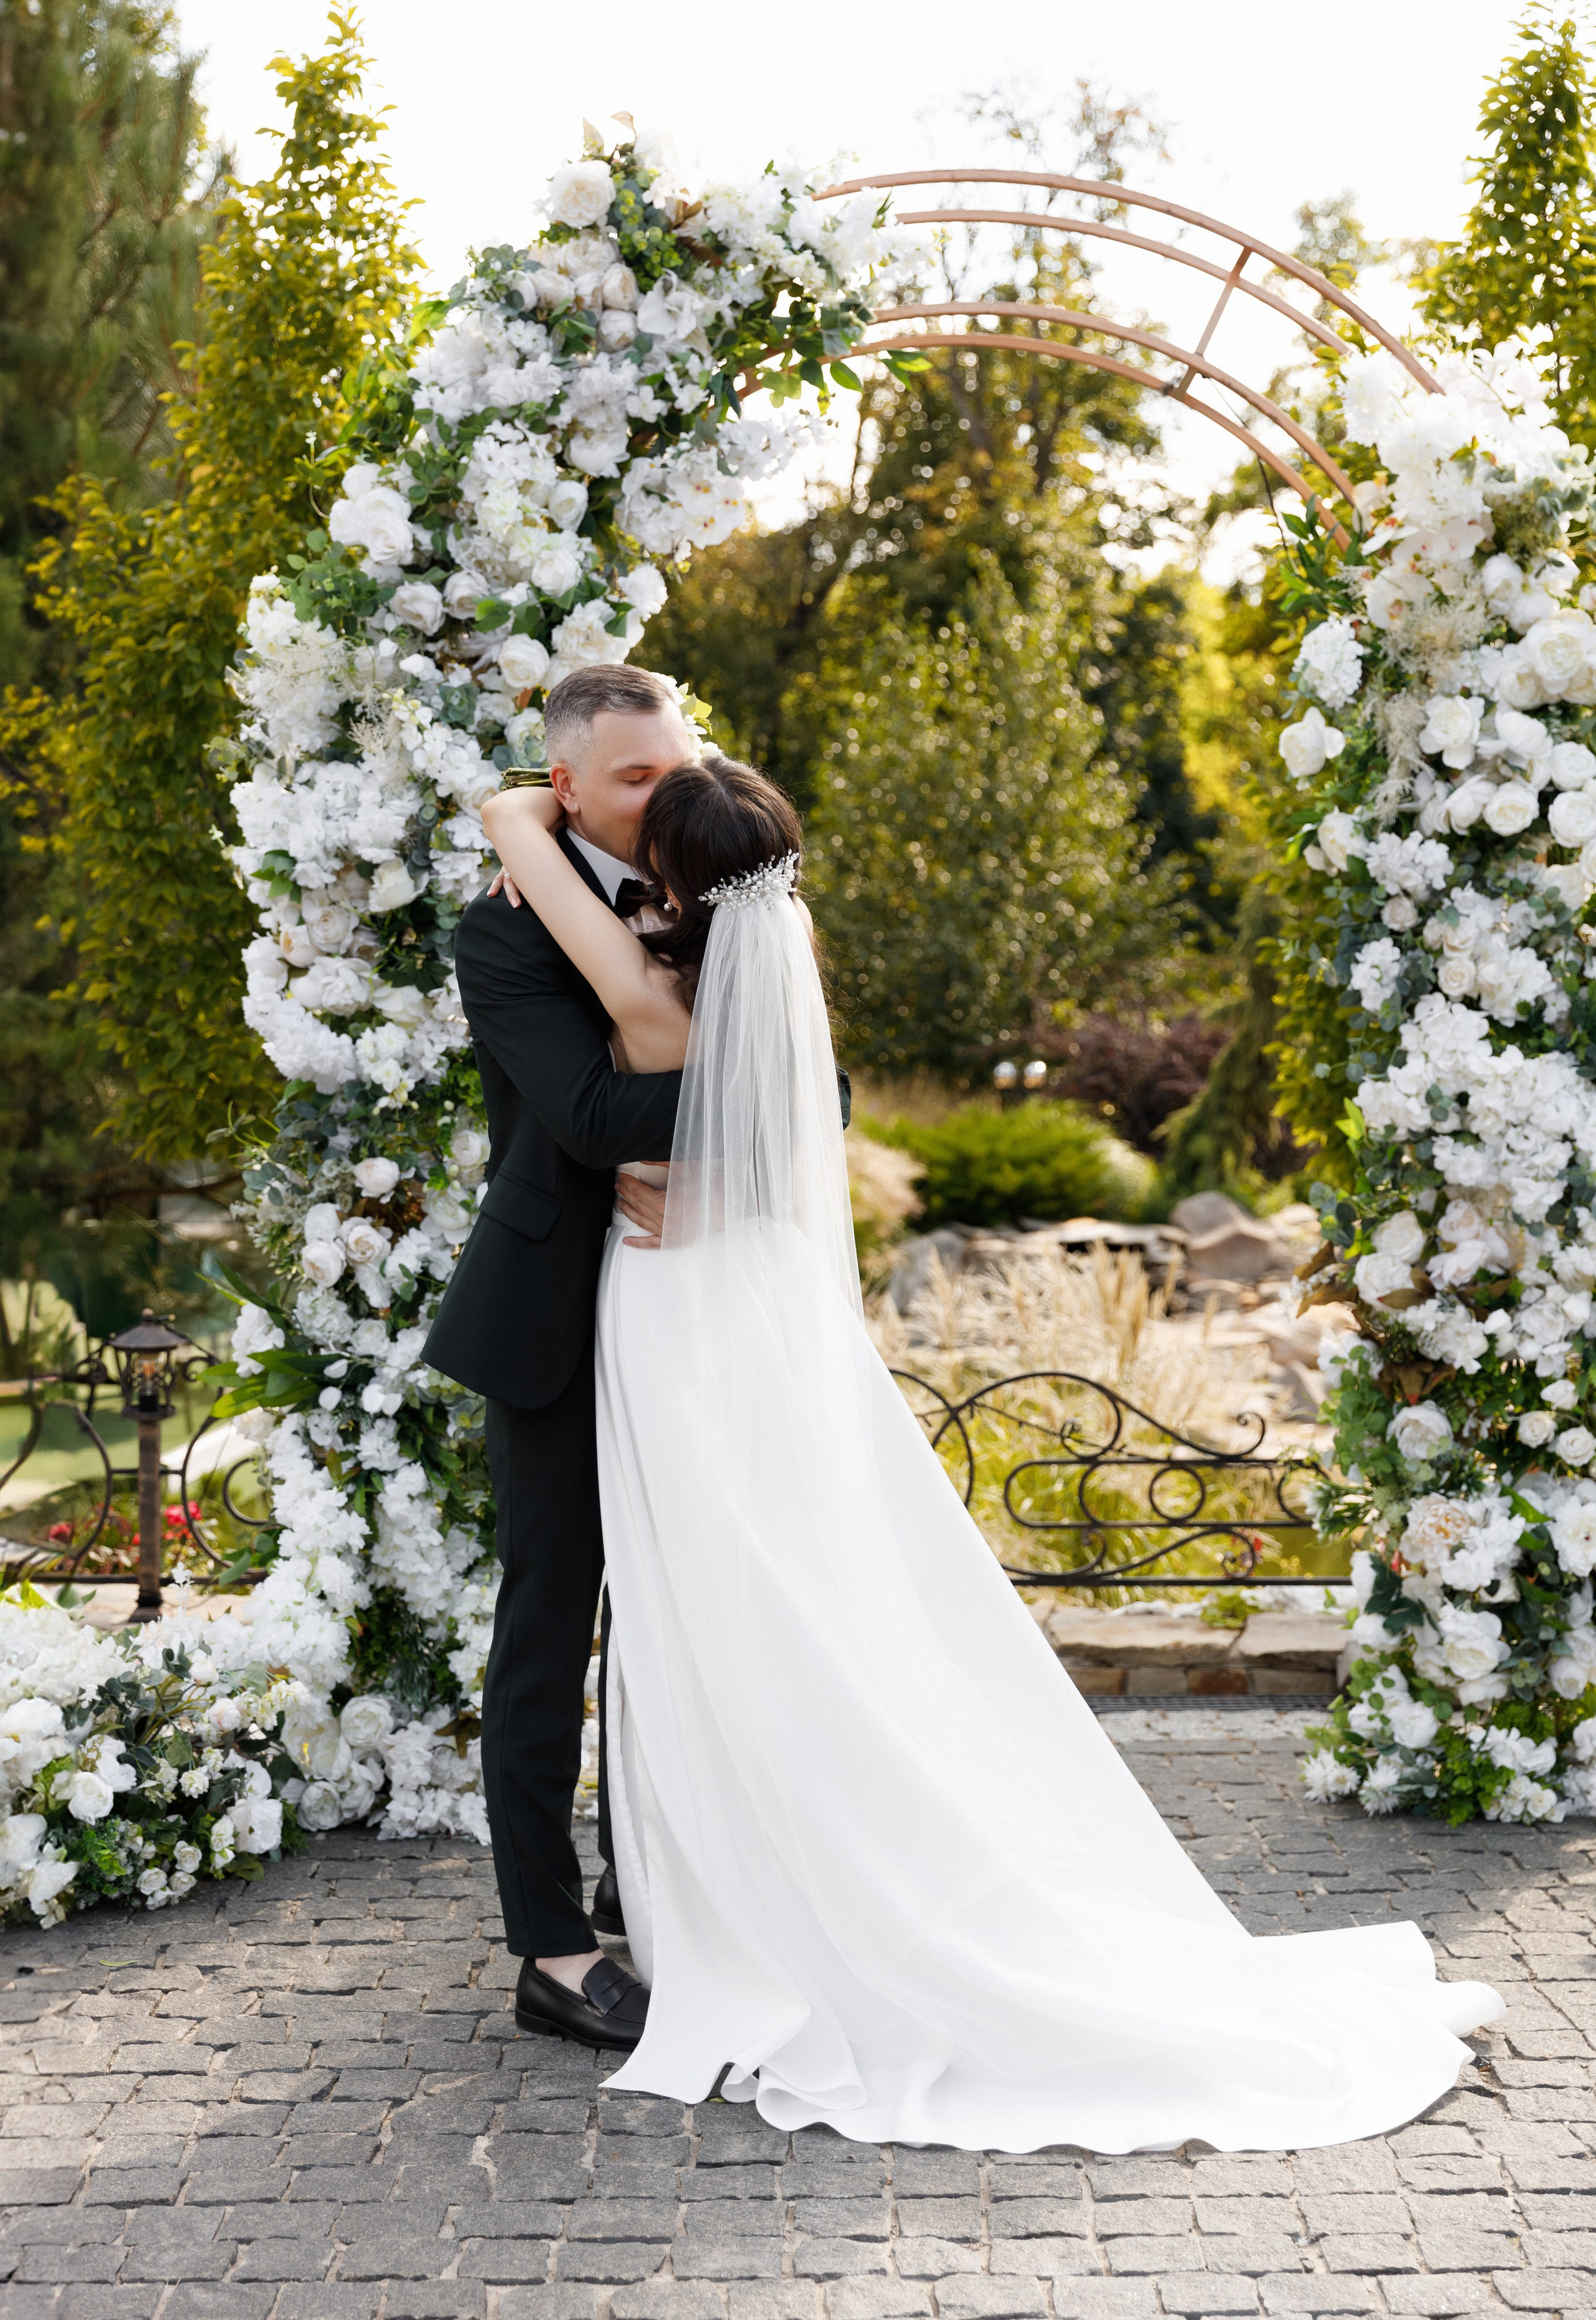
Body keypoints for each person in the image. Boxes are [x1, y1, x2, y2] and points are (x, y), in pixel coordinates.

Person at [478, 751, 1506, 2157]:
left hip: (673, 1318)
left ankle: (727, 1888)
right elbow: (751, 1105)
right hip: (723, 1316)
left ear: (673, 879)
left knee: (698, 1605)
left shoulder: (646, 987)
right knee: (720, 1601)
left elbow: (639, 1075)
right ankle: (689, 1883)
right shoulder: (763, 961)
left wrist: (514, 812)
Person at [422, 665, 695, 2054]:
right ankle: (549, 1945)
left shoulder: (718, 886)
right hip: (551, 1310)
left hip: (691, 1314)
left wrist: (774, 1072)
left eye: (674, 768)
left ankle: (644, 1884)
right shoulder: (505, 926)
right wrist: (743, 1082)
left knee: (679, 1621)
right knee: (548, 1630)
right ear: (568, 788)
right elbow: (587, 1117)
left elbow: (822, 1088)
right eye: (633, 780)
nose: (662, 798)